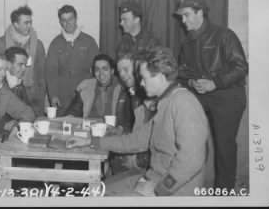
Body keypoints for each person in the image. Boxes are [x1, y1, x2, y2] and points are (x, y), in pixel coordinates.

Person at [67, 47, 209, 196]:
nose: (140, 83)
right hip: (153, 178)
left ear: (160, 78)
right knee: (97, 190)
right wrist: (92, 141)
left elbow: (192, 160)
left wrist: (160, 190)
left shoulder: (184, 102)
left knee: (99, 196)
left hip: (174, 190)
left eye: (144, 78)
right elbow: (135, 140)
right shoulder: (165, 102)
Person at [175, 0, 248, 190]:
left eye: (186, 15)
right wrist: (190, 81)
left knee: (224, 146)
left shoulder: (224, 35)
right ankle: (188, 186)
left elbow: (241, 67)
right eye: (181, 16)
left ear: (200, 13)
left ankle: (224, 191)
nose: (183, 21)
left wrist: (214, 83)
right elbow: (182, 73)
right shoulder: (188, 43)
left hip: (228, 95)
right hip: (201, 95)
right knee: (189, 138)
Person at [0, 5, 46, 116]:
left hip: (33, 97)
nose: (30, 26)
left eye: (30, 22)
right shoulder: (0, 44)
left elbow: (41, 74)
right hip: (9, 96)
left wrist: (41, 98)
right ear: (16, 25)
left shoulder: (38, 45)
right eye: (26, 23)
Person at [45, 5, 99, 116]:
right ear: (60, 22)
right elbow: (51, 72)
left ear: (76, 19)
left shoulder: (89, 41)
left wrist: (91, 90)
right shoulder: (55, 44)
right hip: (62, 95)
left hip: (83, 93)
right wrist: (53, 95)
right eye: (64, 20)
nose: (68, 23)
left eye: (70, 19)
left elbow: (97, 70)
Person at [64, 54, 133, 134]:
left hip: (113, 135)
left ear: (112, 71)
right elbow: (72, 112)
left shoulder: (124, 89)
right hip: (88, 132)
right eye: (97, 70)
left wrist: (120, 129)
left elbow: (129, 120)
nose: (101, 74)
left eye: (105, 69)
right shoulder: (87, 89)